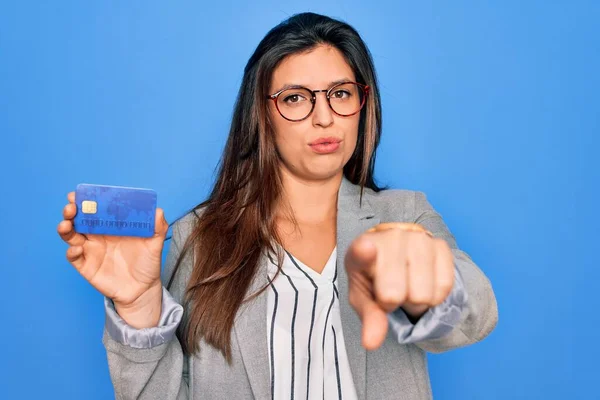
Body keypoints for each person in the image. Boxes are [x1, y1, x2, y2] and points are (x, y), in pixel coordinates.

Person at [58, 12, 498, 400]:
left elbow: (473, 314)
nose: (323, 117)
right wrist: (138, 307)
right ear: (262, 114)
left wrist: (430, 286)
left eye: (340, 94)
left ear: (363, 103)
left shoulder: (403, 215)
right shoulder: (199, 234)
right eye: (294, 98)